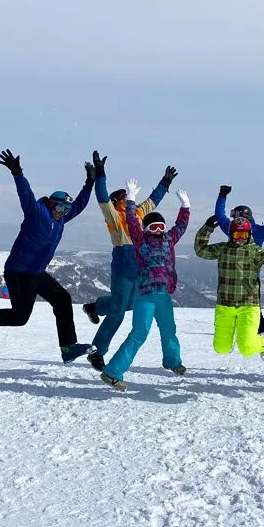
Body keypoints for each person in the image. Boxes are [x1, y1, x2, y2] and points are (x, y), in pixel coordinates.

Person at [0, 150, 96, 363]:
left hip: (36, 272)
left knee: (63, 299)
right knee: (20, 317)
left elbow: (79, 206)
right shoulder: (38, 213)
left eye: (65, 209)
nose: (63, 211)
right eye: (60, 206)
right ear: (52, 203)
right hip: (18, 272)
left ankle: (68, 347)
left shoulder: (60, 219)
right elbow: (25, 196)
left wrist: (89, 184)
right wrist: (18, 174)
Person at [82, 150, 174, 369]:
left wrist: (165, 182)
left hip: (142, 264)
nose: (126, 198)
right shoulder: (114, 214)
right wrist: (101, 174)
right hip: (124, 263)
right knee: (117, 312)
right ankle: (97, 351)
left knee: (132, 303)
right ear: (117, 201)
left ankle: (95, 307)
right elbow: (102, 197)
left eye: (126, 196)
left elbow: (154, 200)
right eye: (122, 197)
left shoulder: (139, 213)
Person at [100, 180, 190, 391]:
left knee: (169, 330)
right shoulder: (140, 241)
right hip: (145, 295)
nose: (158, 230)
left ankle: (172, 361)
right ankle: (112, 372)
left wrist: (185, 207)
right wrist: (130, 199)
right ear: (146, 229)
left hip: (164, 295)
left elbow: (181, 226)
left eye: (161, 226)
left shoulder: (169, 239)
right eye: (153, 227)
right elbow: (132, 221)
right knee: (139, 333)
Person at [194, 216, 264, 360]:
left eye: (244, 235)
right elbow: (200, 250)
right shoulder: (222, 249)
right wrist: (207, 228)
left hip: (248, 306)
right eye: (237, 234)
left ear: (249, 235)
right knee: (221, 348)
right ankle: (232, 343)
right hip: (224, 306)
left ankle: (263, 342)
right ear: (231, 235)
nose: (240, 239)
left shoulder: (256, 252)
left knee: (247, 349)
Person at [214, 180, 264, 352]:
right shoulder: (256, 231)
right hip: (248, 280)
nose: (234, 219)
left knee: (255, 316)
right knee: (254, 316)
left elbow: (220, 216)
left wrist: (222, 197)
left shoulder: (234, 229)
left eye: (236, 216)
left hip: (250, 282)